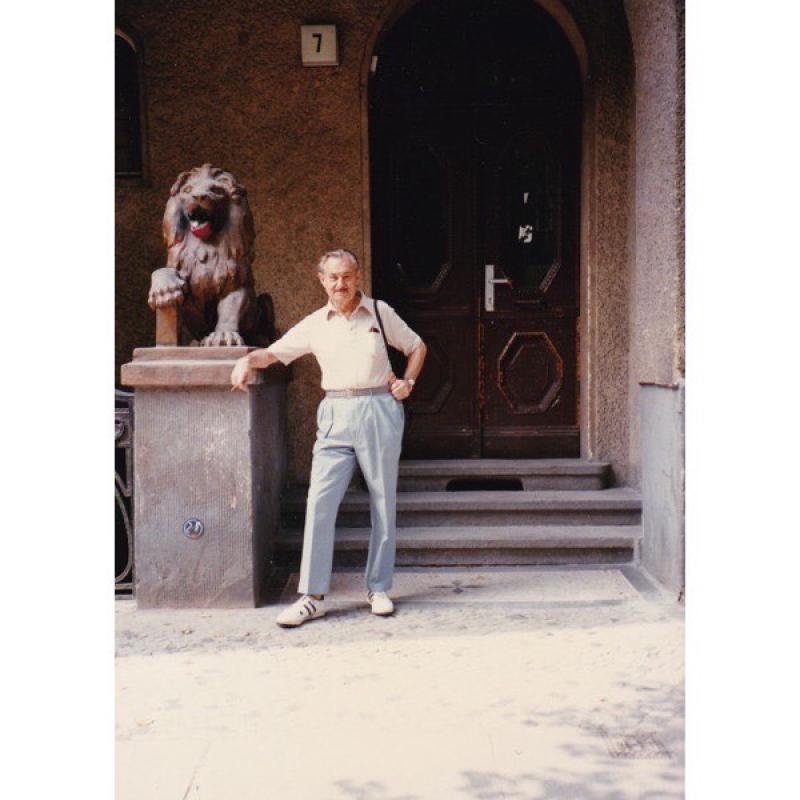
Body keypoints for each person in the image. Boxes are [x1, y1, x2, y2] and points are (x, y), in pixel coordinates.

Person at [231, 249, 427, 627]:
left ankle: (378, 587)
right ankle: (313, 595)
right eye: (333, 277)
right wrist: (245, 361)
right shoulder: (316, 323)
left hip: (378, 409)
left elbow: (417, 346)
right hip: (335, 411)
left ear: (359, 276)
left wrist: (408, 382)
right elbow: (273, 354)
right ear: (321, 280)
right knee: (320, 500)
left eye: (348, 276)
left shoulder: (380, 313)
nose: (341, 284)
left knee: (383, 500)